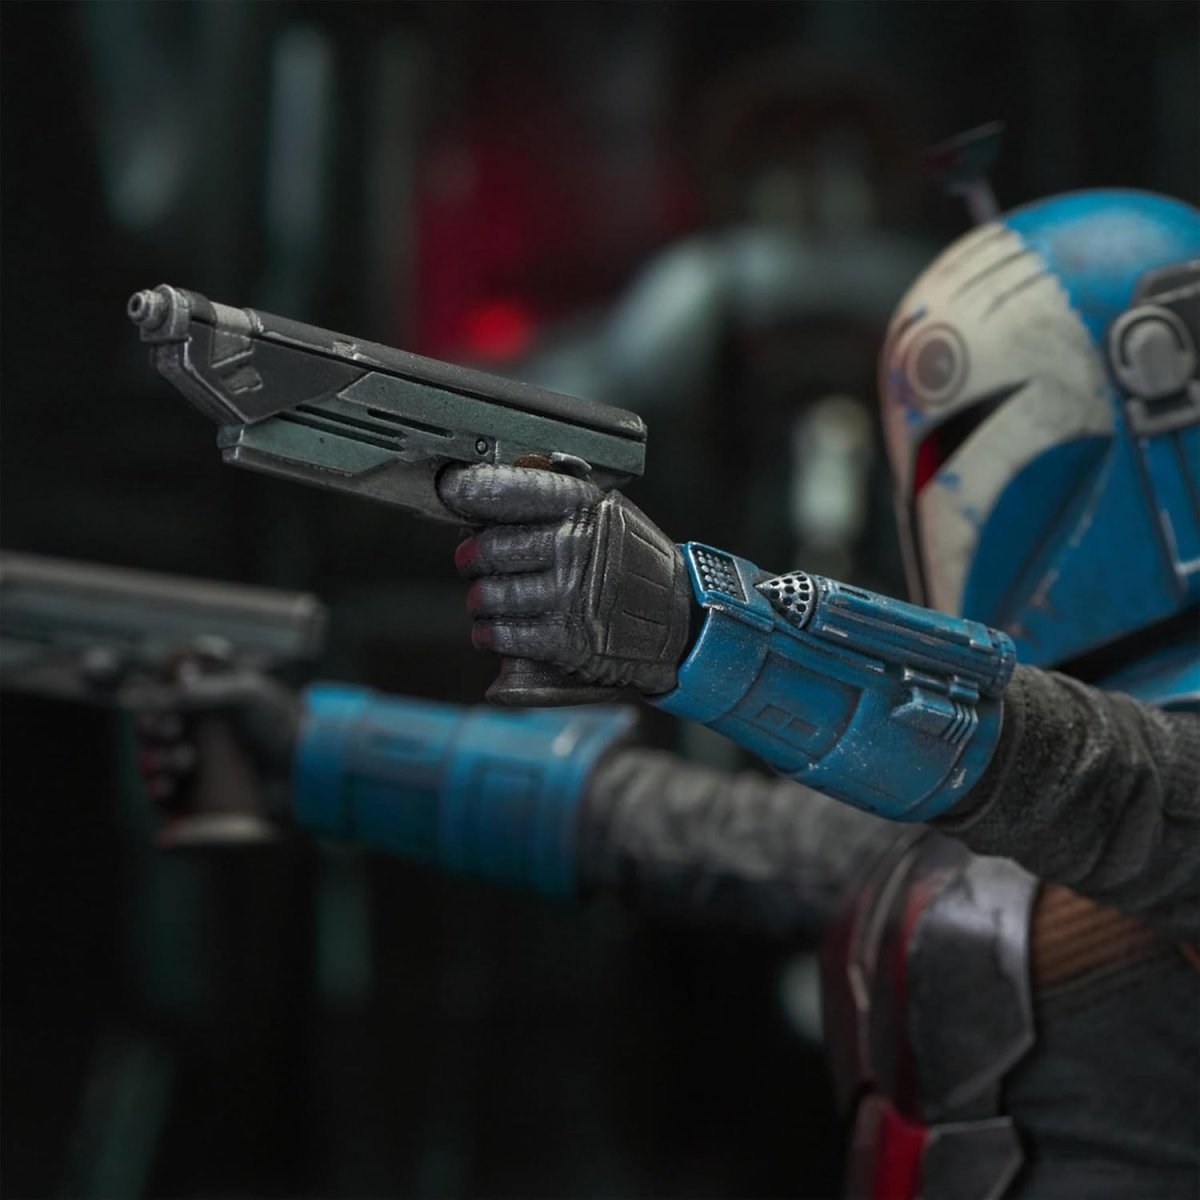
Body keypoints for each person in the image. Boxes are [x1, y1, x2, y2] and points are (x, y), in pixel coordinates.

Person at [140, 189, 1200, 1198]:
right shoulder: (1002, 813)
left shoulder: (1113, 788)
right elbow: (698, 833)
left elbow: (1098, 781)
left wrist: (698, 623)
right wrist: (314, 751)